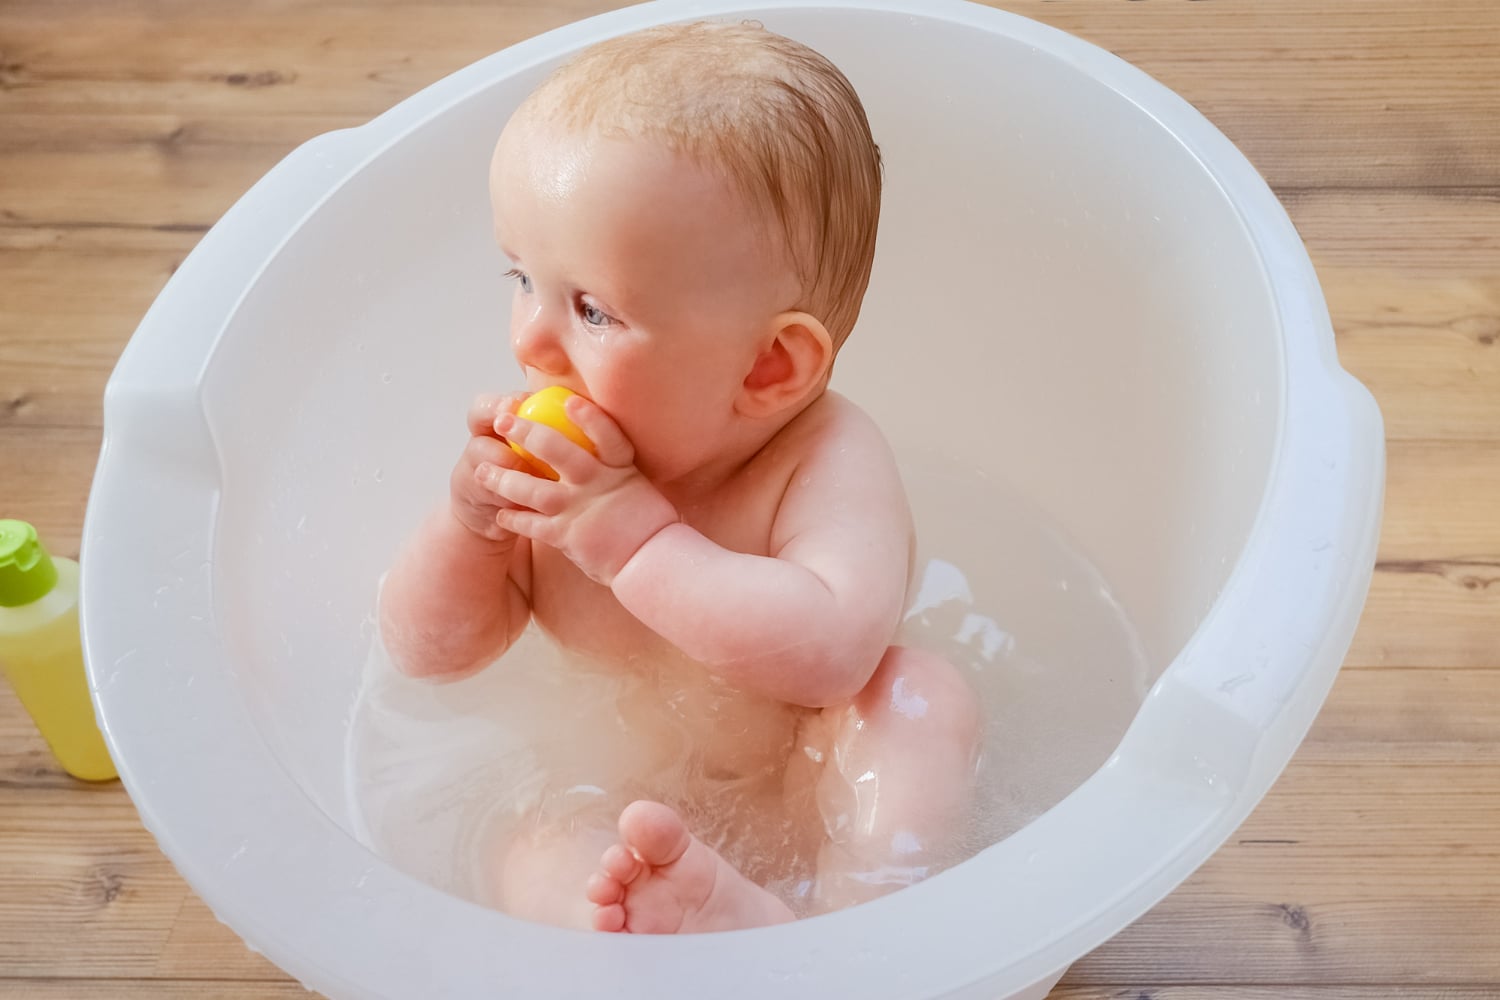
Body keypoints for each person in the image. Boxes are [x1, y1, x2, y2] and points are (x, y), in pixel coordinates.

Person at [378, 19, 979, 934]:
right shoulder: (554, 487)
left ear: (768, 369)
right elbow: (428, 655)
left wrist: (633, 539)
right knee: (525, 846)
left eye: (591, 309)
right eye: (522, 279)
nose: (532, 341)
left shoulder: (822, 461)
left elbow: (831, 655)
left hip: (812, 774)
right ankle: (647, 925)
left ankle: (858, 928)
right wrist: (470, 525)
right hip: (618, 797)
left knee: (917, 702)